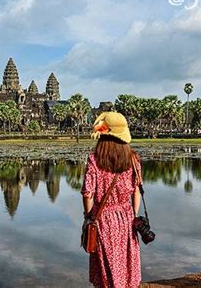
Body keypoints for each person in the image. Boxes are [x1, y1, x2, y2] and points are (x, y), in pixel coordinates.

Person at [81, 111, 142, 287]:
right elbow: (137, 190)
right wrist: (133, 215)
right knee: (125, 261)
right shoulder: (133, 159)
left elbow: (88, 193)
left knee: (106, 262)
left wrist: (88, 216)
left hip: (102, 218)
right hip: (126, 217)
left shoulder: (94, 160)